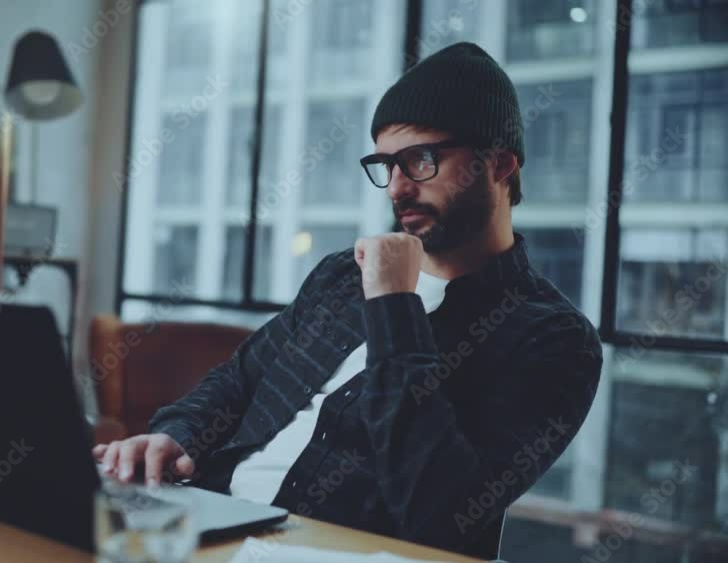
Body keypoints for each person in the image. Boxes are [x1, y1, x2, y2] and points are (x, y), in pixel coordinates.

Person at [92, 42, 602, 558]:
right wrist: (175, 437)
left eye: (421, 160)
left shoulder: (554, 339)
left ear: (500, 165)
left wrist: (393, 306)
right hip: (212, 523)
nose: (396, 189)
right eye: (386, 164)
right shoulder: (342, 274)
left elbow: (441, 510)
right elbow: (239, 379)